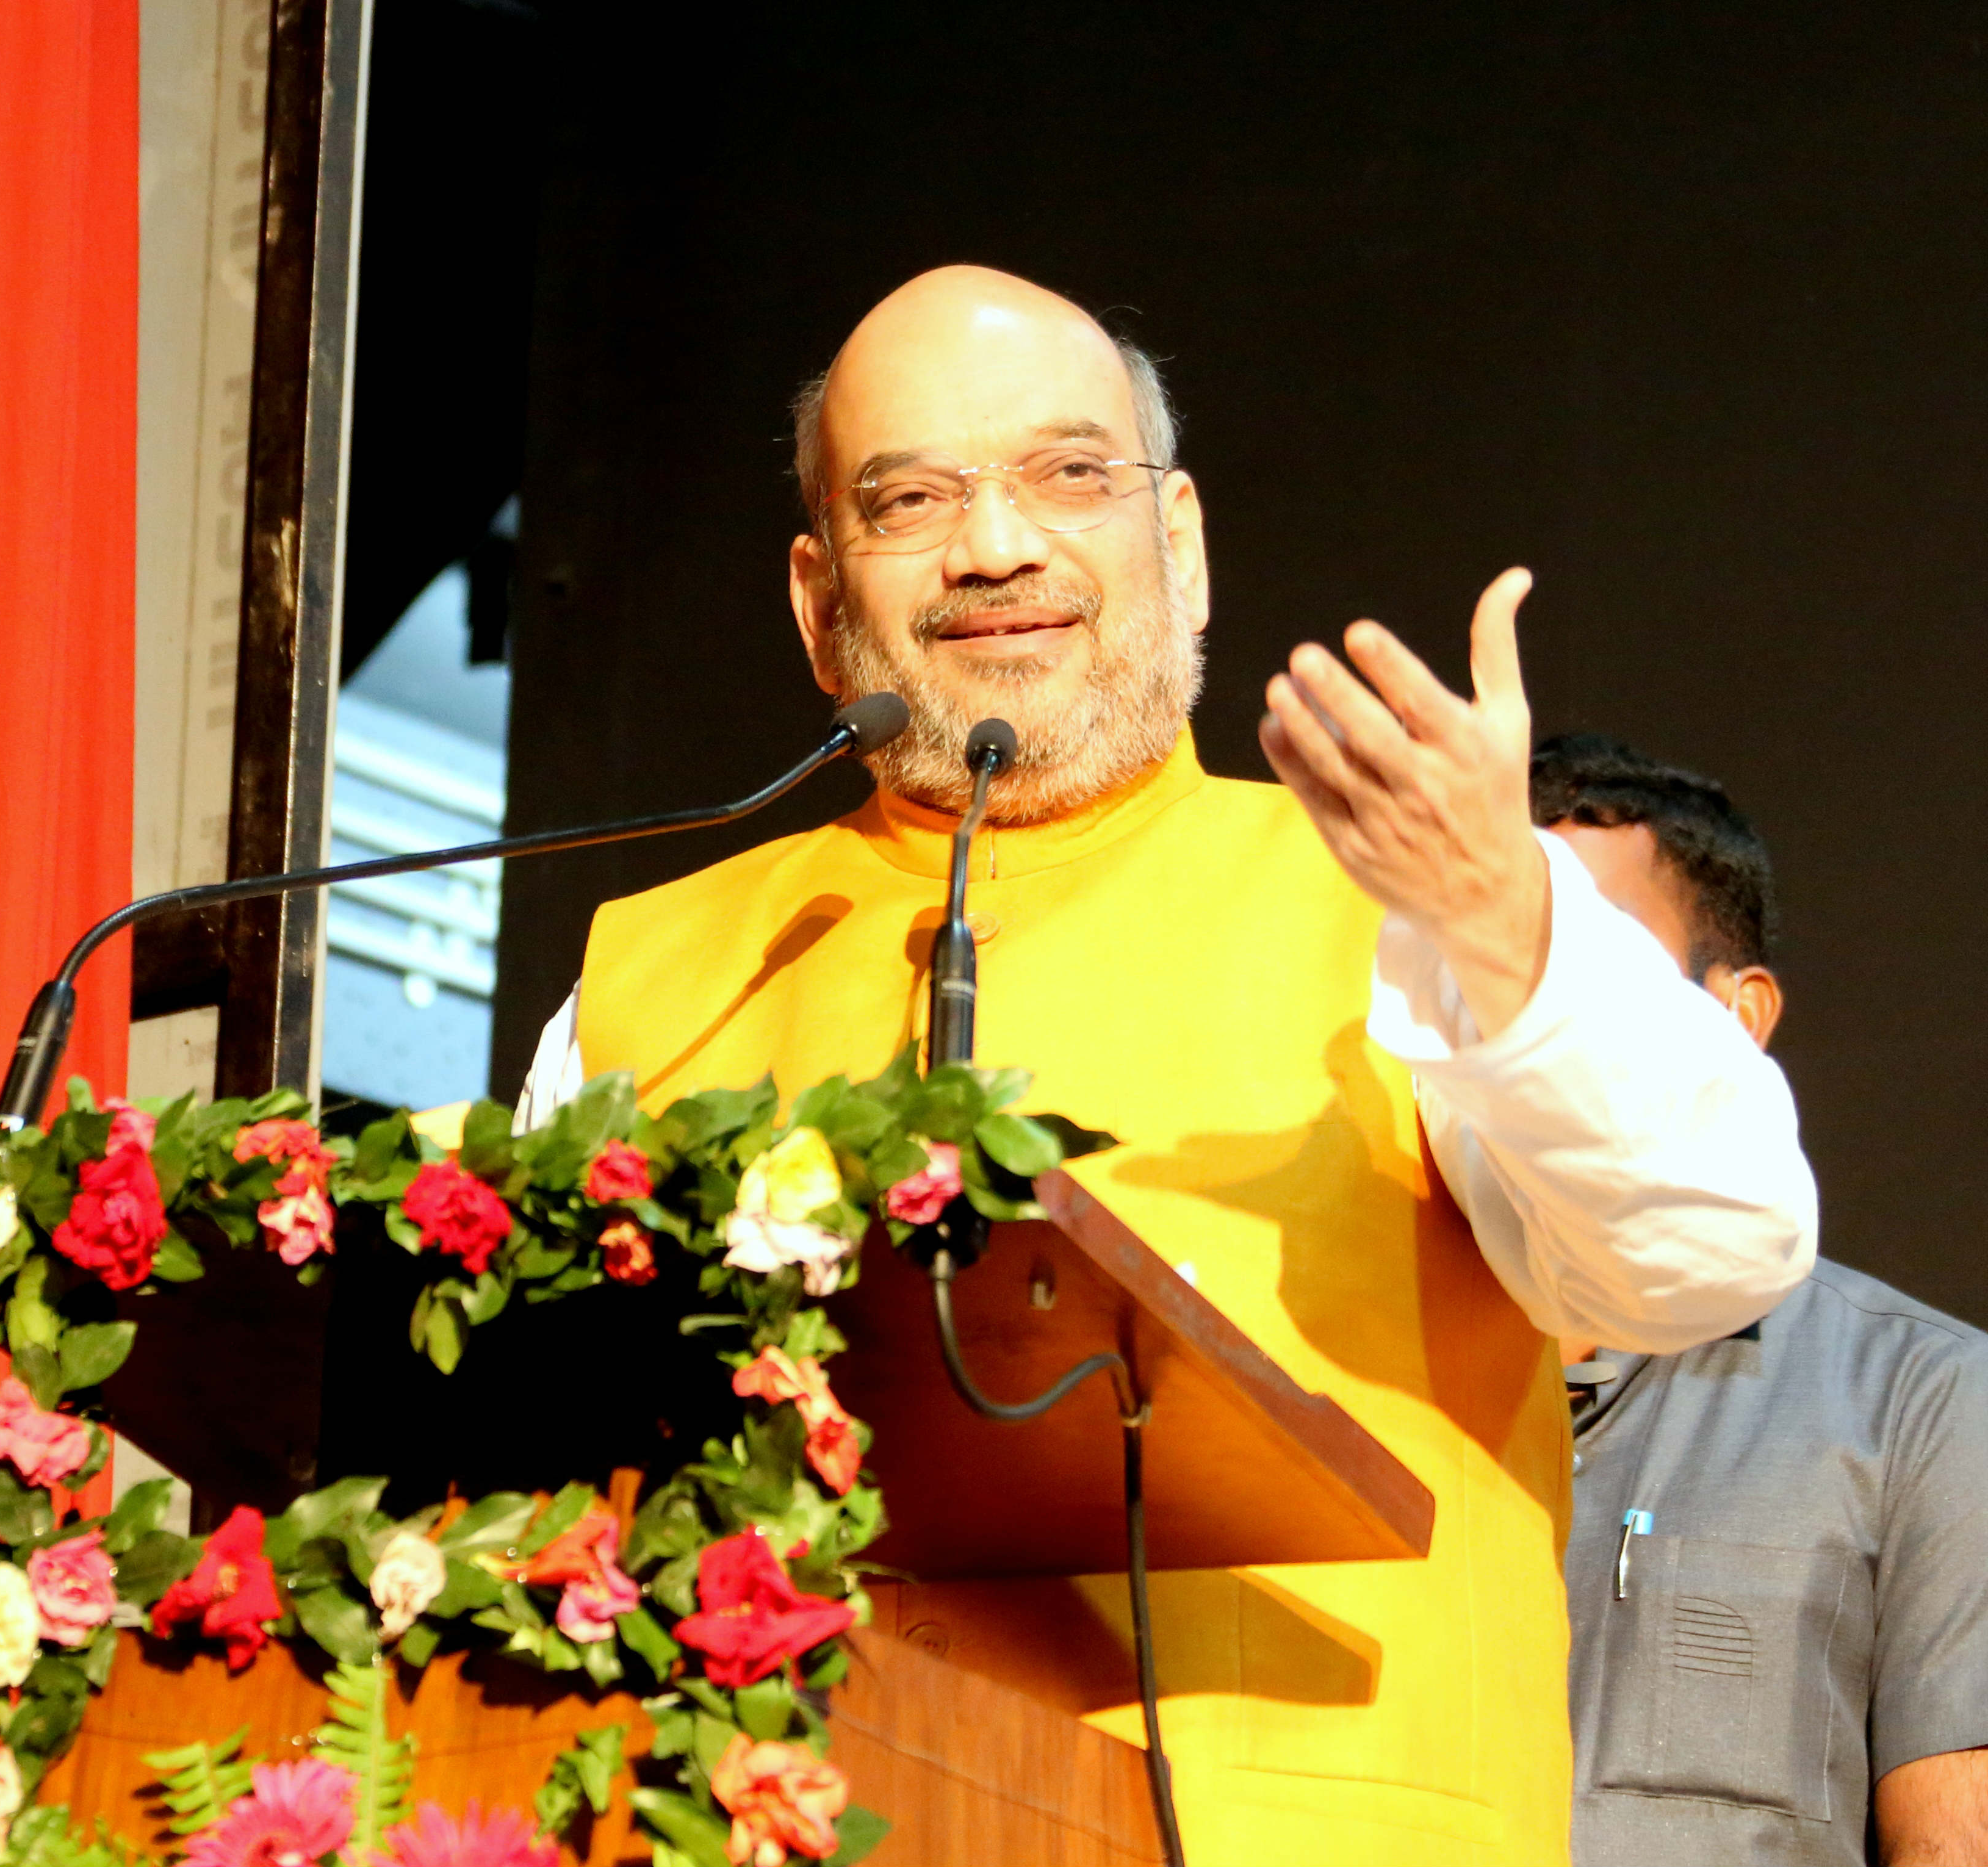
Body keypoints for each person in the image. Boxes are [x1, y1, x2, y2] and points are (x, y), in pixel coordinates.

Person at [511, 267, 1817, 1865]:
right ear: (817, 597)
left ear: (1180, 544)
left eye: (1069, 475)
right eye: (912, 497)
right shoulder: (662, 977)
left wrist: (1512, 923)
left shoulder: (1407, 912)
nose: (996, 544)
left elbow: (1706, 1248)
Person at [1535, 733, 1988, 1867]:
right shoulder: (1357, 1368)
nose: (1524, 1016)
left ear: (1738, 1018)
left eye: (1590, 962)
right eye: (1489, 966)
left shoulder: (1921, 1397)